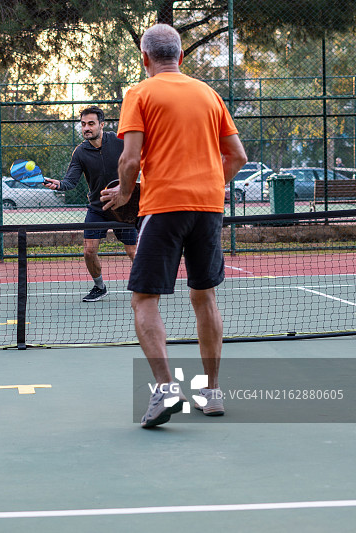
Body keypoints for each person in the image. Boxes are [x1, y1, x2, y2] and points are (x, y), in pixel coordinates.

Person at [100, 25, 247, 428]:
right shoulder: (208, 94)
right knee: (205, 298)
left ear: (144, 58)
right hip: (208, 208)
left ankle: (166, 390)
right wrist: (209, 185)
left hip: (164, 208)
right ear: (181, 57)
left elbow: (129, 160)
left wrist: (126, 194)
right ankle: (212, 392)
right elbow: (237, 156)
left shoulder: (140, 93)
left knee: (144, 300)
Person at [44, 106, 137, 302]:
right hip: (98, 208)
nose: (86, 128)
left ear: (102, 125)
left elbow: (140, 161)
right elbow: (70, 181)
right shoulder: (80, 152)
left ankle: (146, 284)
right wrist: (58, 184)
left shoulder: (120, 141)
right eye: (83, 124)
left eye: (91, 124)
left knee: (133, 251)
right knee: (89, 251)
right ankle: (99, 286)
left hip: (124, 207)